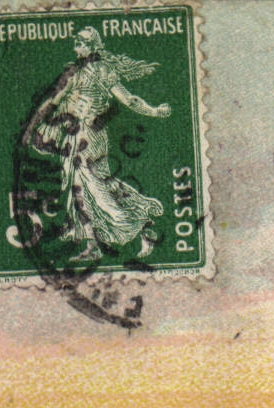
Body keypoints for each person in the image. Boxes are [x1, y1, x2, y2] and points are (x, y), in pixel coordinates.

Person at [23, 27, 170, 262]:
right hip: (80, 136)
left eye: (81, 42)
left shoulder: (96, 71)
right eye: (76, 41)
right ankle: (110, 237)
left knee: (89, 187)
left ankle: (134, 227)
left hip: (87, 137)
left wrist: (154, 111)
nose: (76, 46)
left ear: (92, 46)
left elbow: (129, 99)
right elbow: (53, 102)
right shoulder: (80, 71)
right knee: (89, 185)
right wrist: (33, 128)